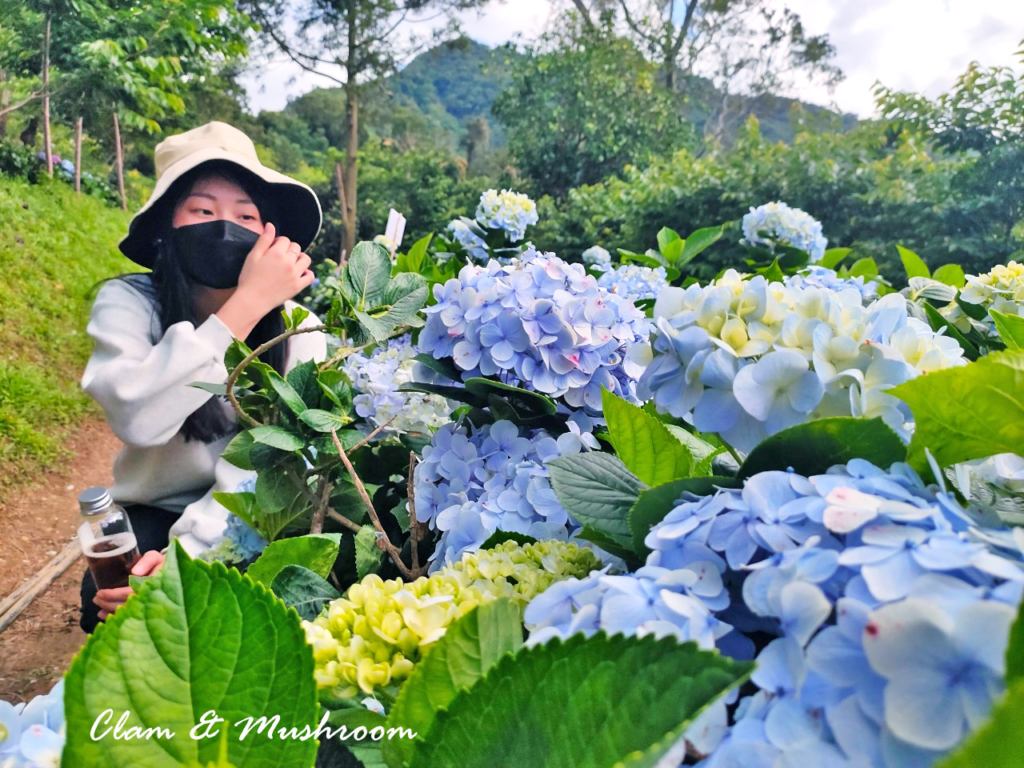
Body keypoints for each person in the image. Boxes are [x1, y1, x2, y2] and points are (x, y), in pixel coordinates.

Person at [79, 122, 327, 632]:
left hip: (249, 513)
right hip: (153, 507)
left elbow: (270, 467)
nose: (223, 226)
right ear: (167, 225)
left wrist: (185, 560)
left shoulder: (300, 328)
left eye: (245, 215)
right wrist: (244, 307)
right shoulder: (129, 304)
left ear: (269, 236)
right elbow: (140, 419)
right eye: (203, 209)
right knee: (110, 604)